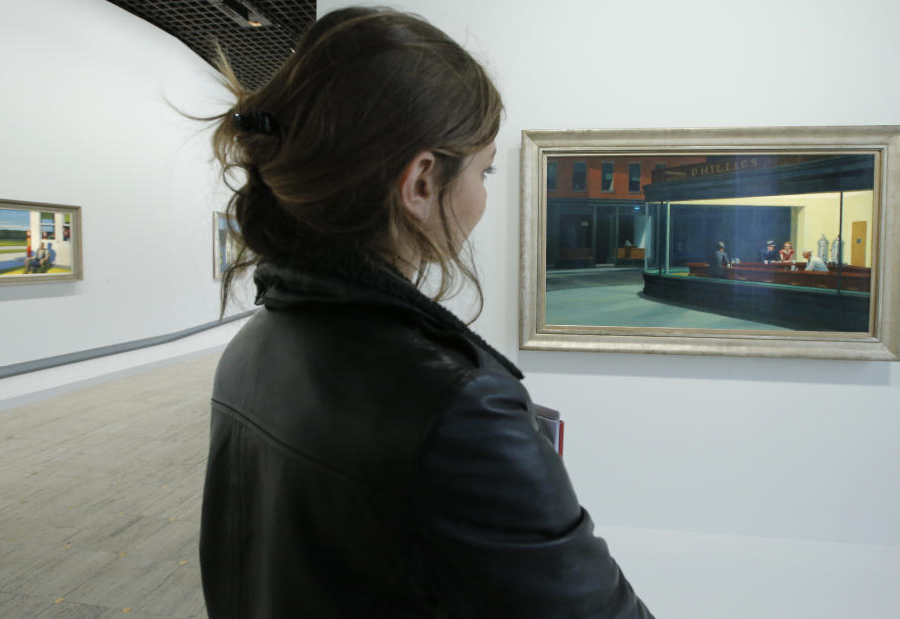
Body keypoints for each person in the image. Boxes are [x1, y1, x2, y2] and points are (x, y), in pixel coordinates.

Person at [198, 7, 652, 619]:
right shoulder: (458, 407)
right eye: (485, 170)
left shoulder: (255, 344)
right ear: (420, 181)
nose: (484, 195)